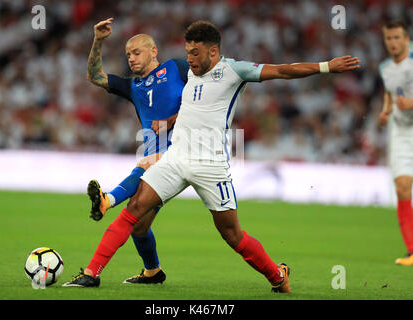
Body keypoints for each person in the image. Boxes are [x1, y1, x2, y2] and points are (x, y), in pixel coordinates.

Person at [64, 20, 359, 292]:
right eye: (187, 53)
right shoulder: (189, 73)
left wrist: (325, 67)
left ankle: (278, 277)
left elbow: (282, 70)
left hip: (211, 165)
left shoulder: (234, 70)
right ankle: (92, 272)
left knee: (233, 236)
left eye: (194, 53)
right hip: (176, 157)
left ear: (213, 51)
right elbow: (191, 108)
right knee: (134, 210)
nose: (189, 60)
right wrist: (168, 124)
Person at [64, 17, 188, 286]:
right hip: (155, 158)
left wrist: (173, 119)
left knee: (144, 171)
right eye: (128, 54)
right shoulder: (133, 86)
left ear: (153, 51)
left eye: (136, 52)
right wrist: (98, 40)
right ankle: (153, 272)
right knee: (140, 226)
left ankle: (108, 201)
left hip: (183, 152)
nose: (131, 58)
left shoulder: (177, 68)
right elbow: (94, 76)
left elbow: (203, 94)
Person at [378, 20, 413, 266]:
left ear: (407, 39)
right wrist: (386, 110)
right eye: (389, 38)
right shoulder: (385, 68)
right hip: (401, 131)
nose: (393, 42)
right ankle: (412, 252)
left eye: (397, 37)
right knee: (402, 187)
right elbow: (390, 91)